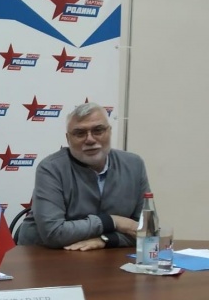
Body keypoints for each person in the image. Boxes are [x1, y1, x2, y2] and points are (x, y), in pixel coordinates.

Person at [17, 102, 150, 251]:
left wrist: (106, 239)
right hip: (44, 255)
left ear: (110, 131)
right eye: (80, 133)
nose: (90, 139)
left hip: (106, 255)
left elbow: (145, 230)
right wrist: (112, 221)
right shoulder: (50, 168)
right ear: (68, 139)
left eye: (98, 130)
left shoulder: (134, 165)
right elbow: (53, 233)